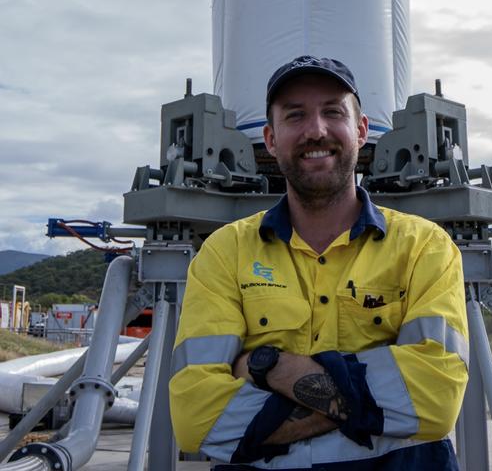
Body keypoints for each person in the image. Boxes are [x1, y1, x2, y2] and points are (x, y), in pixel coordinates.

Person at [169, 55, 469, 470]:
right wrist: (372, 409)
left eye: (333, 112)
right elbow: (196, 420)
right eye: (296, 116)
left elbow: (435, 399)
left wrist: (268, 367)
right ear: (271, 139)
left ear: (361, 130)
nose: (316, 130)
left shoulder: (424, 247)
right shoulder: (224, 253)